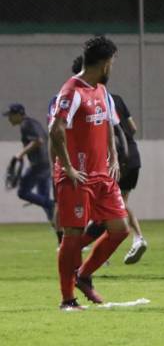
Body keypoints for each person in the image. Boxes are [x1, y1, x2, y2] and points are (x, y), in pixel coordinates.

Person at [49, 36, 130, 310]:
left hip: (102, 175)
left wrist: (114, 156)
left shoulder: (100, 90)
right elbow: (55, 130)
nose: (113, 67)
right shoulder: (72, 91)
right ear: (105, 63)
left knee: (120, 229)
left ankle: (83, 275)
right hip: (77, 177)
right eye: (113, 62)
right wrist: (68, 168)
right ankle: (67, 299)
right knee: (72, 235)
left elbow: (107, 121)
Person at [110, 93, 147, 264]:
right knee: (119, 203)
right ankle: (137, 238)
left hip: (117, 159)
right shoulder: (116, 98)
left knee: (112, 203)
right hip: (133, 155)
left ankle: (137, 238)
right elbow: (133, 127)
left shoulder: (94, 102)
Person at [4, 103, 54, 223]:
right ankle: (56, 225)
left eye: (11, 115)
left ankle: (54, 205)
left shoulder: (26, 124)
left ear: (18, 114)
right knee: (43, 197)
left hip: (39, 165)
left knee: (23, 192)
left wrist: (20, 155)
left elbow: (38, 141)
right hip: (46, 164)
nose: (9, 118)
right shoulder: (33, 123)